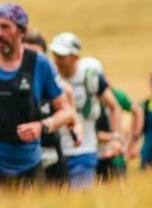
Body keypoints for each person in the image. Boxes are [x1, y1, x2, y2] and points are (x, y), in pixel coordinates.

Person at [0, 4, 72, 192]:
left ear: (21, 31)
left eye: (5, 27)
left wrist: (41, 126)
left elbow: (66, 111)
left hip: (28, 164)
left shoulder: (39, 64)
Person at [48, 32, 123, 190]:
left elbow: (114, 106)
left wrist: (116, 139)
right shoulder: (50, 77)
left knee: (78, 199)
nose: (57, 59)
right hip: (54, 153)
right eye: (55, 54)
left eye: (62, 55)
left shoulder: (90, 77)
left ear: (75, 57)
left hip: (84, 151)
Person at [22, 29, 73, 188]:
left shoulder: (61, 87)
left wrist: (75, 128)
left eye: (36, 55)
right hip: (20, 157)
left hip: (52, 155)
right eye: (26, 54)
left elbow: (71, 116)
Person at [96, 86, 134, 182]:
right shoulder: (90, 99)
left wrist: (132, 142)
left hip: (116, 157)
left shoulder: (117, 96)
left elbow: (138, 111)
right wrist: (115, 138)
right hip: (97, 156)